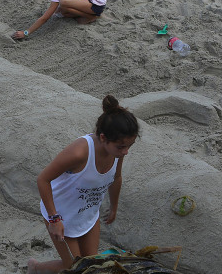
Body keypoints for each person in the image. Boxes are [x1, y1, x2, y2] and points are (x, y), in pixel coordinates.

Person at [27, 96, 139, 274]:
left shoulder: (117, 152)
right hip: (61, 214)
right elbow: (43, 179)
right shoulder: (80, 153)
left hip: (87, 215)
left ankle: (36, 268)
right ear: (103, 138)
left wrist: (114, 207)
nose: (125, 151)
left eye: (129, 146)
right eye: (121, 147)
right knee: (76, 269)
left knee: (90, 267)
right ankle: (36, 268)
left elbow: (116, 177)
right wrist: (54, 219)